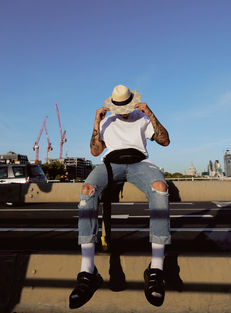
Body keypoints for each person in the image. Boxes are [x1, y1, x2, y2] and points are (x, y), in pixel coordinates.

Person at [69, 84, 171, 309]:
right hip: (111, 163)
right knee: (87, 190)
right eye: (119, 106)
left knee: (160, 188)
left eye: (126, 105)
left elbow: (164, 140)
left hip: (139, 162)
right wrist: (96, 122)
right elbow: (95, 151)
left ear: (132, 102)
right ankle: (88, 271)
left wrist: (151, 114)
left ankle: (156, 269)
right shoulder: (106, 120)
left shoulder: (142, 118)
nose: (123, 110)